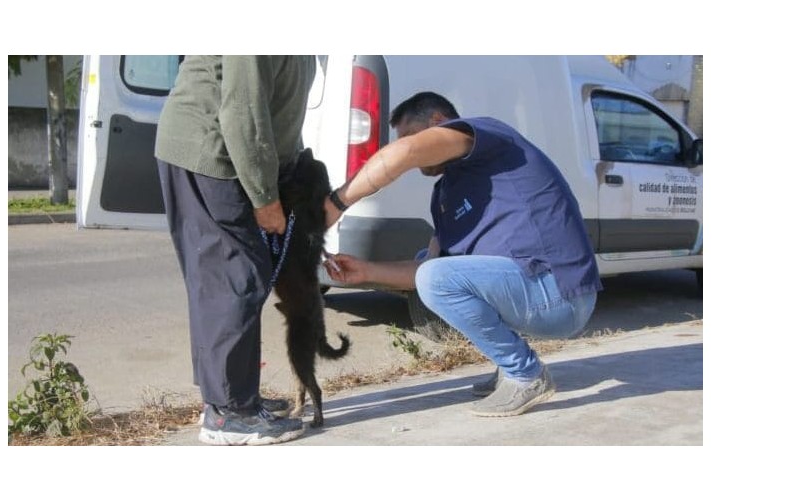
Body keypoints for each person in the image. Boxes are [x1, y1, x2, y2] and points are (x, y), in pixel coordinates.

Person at [323, 92, 602, 417]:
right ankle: (507, 365)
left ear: (439, 123)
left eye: (412, 134)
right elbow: (426, 268)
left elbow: (405, 152)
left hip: (559, 293)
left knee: (436, 277)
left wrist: (335, 203)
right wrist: (366, 271)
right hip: (531, 293)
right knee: (434, 270)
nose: (410, 150)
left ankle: (525, 374)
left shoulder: (489, 137)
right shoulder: (445, 193)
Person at [155, 56, 316, 445]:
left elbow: (281, 109)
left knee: (224, 277)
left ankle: (231, 399)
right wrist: (265, 199)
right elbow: (243, 112)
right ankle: (229, 413)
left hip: (222, 151)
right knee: (236, 275)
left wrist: (291, 174)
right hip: (214, 153)